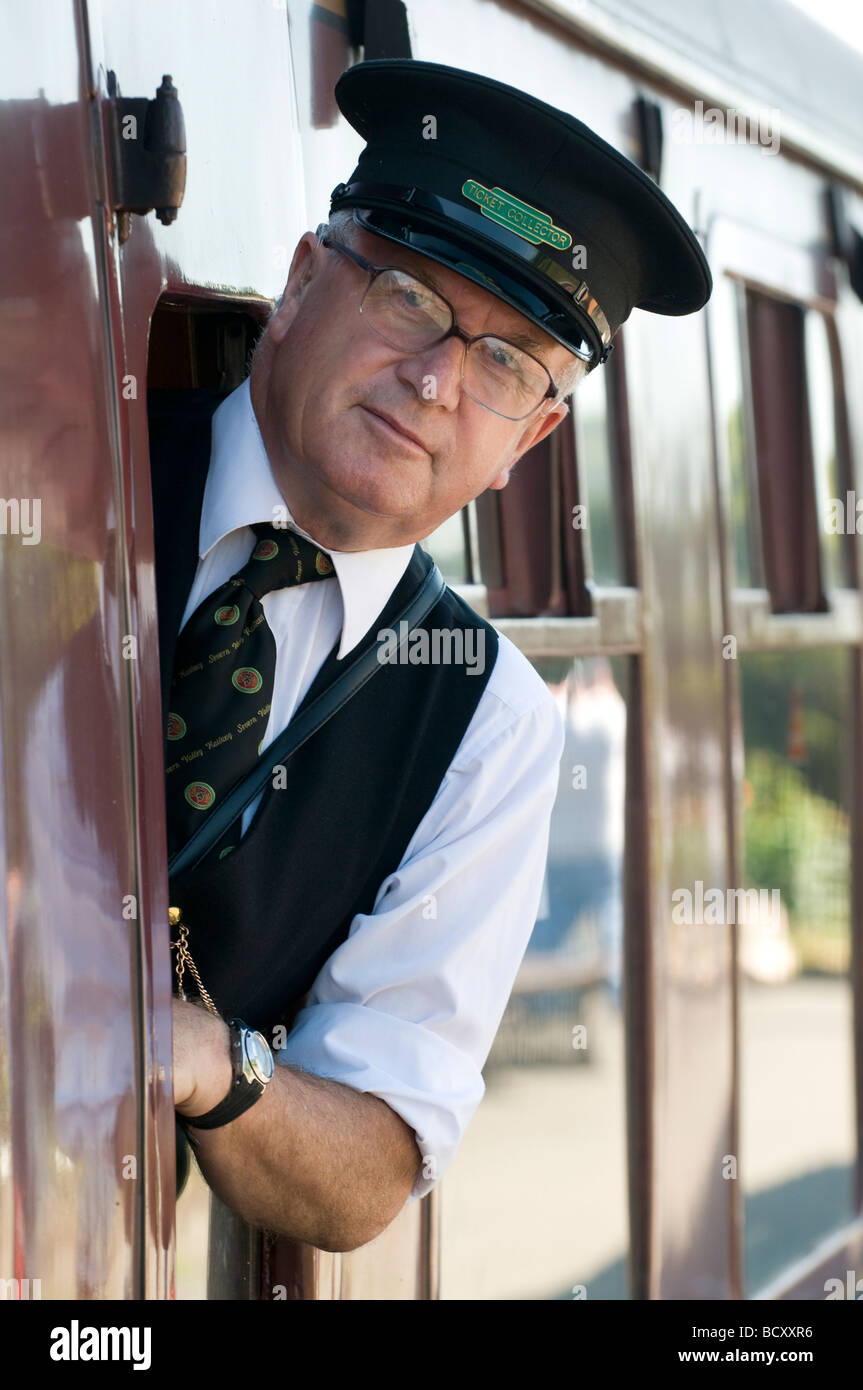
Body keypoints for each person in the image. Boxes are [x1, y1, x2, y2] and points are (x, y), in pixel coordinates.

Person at [154, 58, 711, 1253]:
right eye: (410, 294)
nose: (436, 379)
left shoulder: (490, 727)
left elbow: (371, 1163)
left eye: (507, 363)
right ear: (303, 281)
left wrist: (214, 1065)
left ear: (534, 437)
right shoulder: (46, 474)